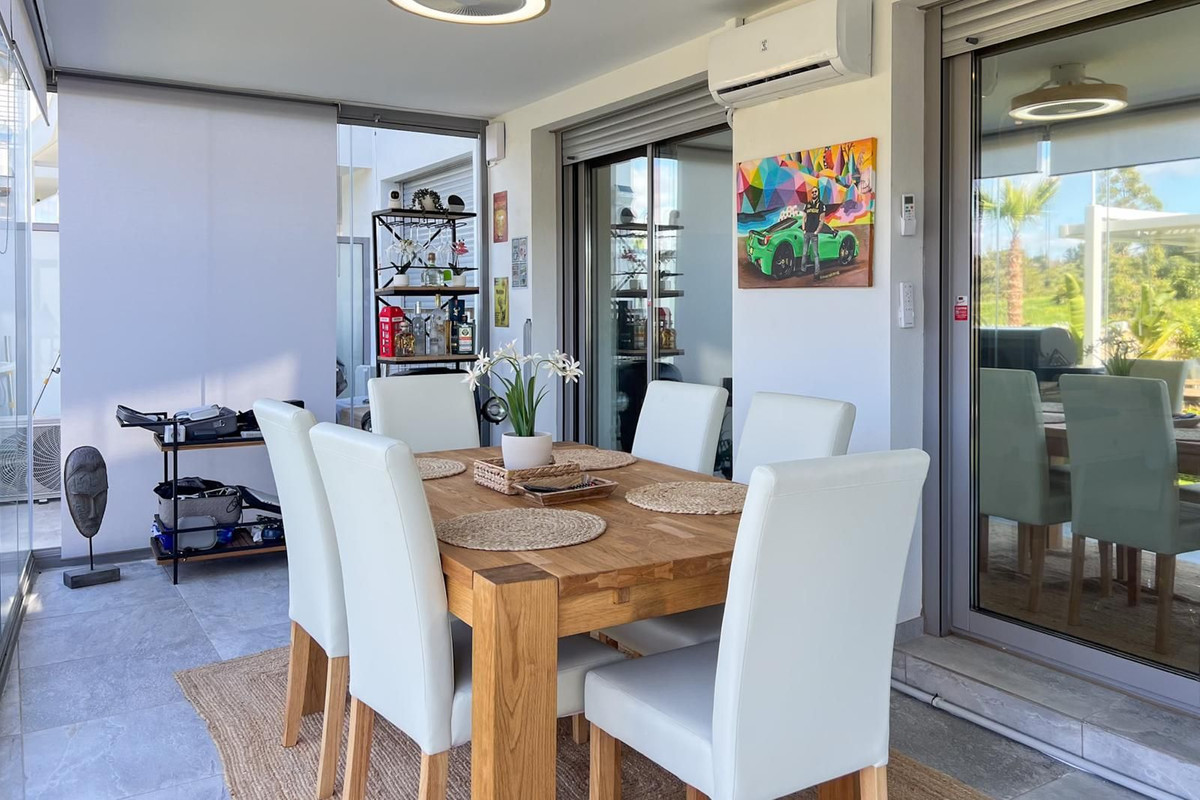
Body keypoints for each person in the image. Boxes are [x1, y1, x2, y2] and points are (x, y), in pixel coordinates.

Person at [801, 187, 828, 278]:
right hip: (807, 233)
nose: (814, 193)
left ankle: (817, 273)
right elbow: (803, 218)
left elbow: (822, 220)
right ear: (811, 194)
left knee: (816, 254)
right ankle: (803, 270)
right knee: (804, 252)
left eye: (815, 191)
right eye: (812, 192)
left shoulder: (821, 205)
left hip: (814, 233)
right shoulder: (807, 204)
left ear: (818, 193)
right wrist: (804, 230)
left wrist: (817, 231)